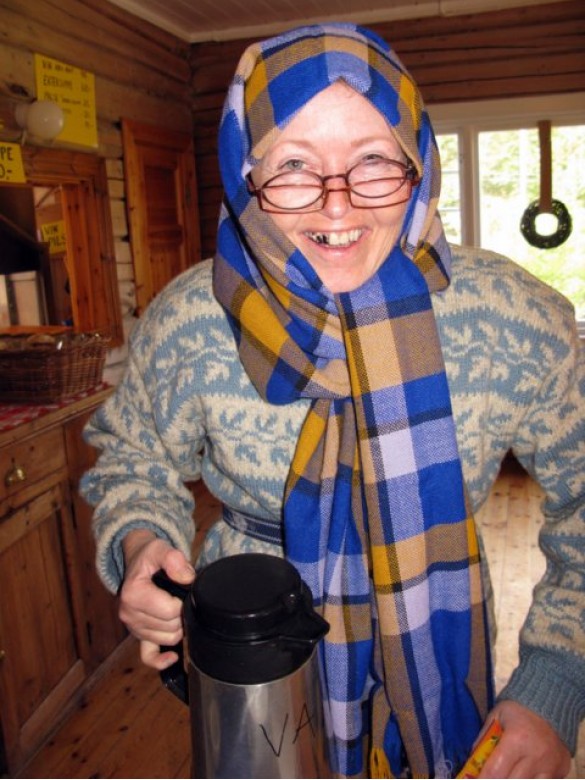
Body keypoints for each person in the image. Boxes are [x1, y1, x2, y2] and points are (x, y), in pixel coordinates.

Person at [80, 23, 584, 779]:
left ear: (419, 162)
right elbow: (131, 454)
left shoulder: (516, 319)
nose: (337, 204)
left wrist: (555, 679)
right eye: (292, 166)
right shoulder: (190, 317)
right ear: (242, 170)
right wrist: (138, 541)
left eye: (374, 160)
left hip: (439, 646)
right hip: (249, 678)